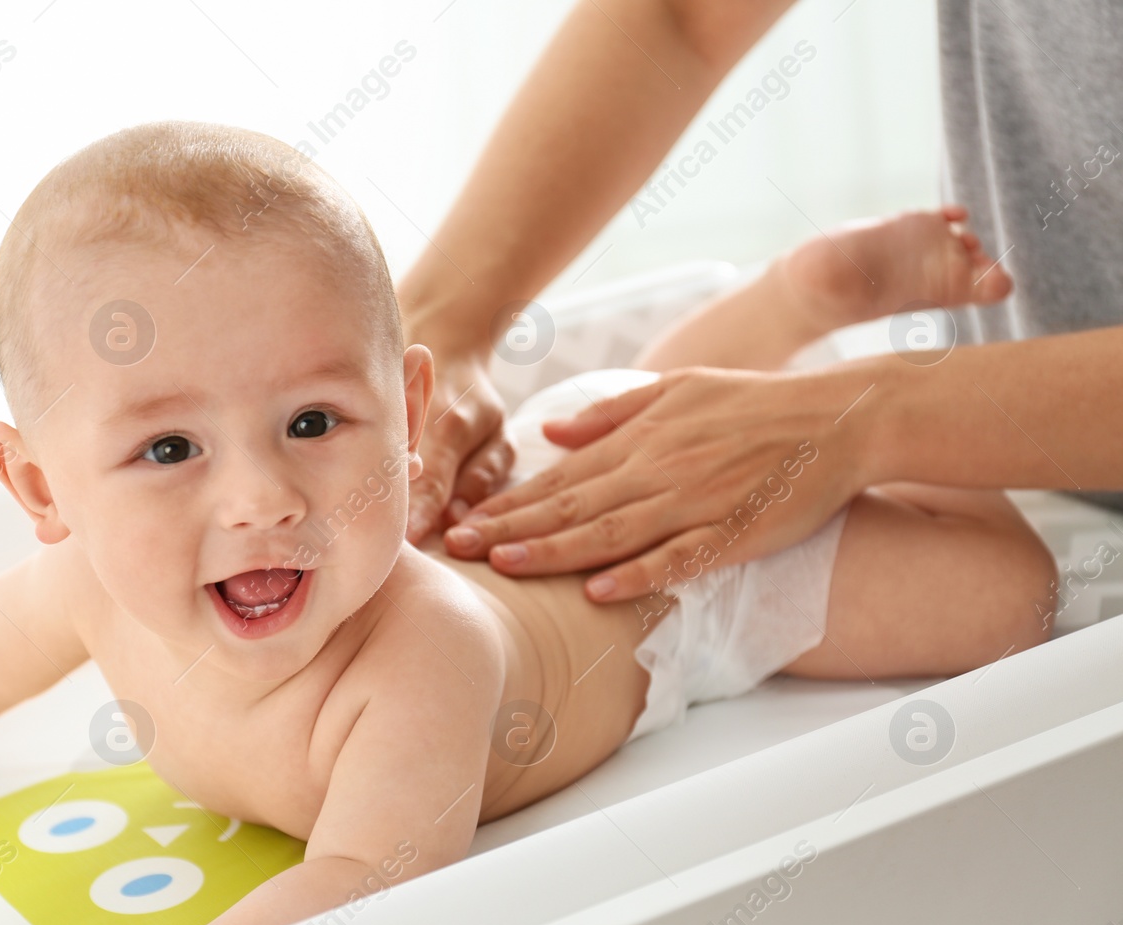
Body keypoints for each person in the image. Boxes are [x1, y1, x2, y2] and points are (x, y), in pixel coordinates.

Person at [0, 124, 1051, 925]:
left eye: (316, 423)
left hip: (681, 593)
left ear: (407, 404)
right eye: (170, 447)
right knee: (598, 438)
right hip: (549, 482)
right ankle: (790, 310)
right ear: (38, 488)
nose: (261, 501)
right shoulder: (88, 588)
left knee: (1009, 596)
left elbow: (363, 881)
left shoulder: (417, 654)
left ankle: (850, 377)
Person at [403, 0, 1123, 603]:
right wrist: (441, 320)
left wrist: (866, 421)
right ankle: (792, 303)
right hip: (994, 425)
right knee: (651, 413)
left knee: (1000, 587)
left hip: (979, 434)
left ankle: (793, 307)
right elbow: (683, 17)